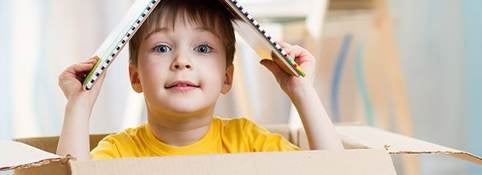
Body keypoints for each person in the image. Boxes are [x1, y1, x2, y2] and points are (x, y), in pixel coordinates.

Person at [56, 0, 343, 160]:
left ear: (226, 78)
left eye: (203, 48)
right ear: (136, 77)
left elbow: (337, 171)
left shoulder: (247, 141)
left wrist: (302, 91)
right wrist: (78, 106)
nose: (182, 61)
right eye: (162, 48)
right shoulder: (121, 152)